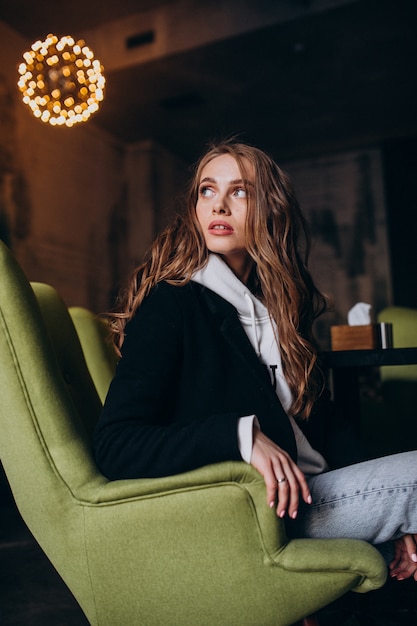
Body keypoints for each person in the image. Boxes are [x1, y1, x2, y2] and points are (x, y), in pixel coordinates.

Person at [93, 140, 417, 582]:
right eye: (207, 191)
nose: (219, 206)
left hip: (317, 491)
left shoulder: (280, 306)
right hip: (264, 514)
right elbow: (116, 446)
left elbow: (324, 424)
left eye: (239, 192)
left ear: (270, 209)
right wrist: (241, 435)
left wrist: (399, 517)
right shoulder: (173, 303)